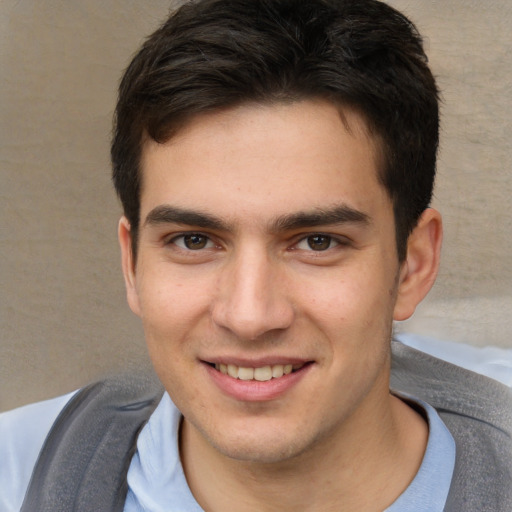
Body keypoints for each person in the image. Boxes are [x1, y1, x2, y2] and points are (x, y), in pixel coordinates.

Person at [1, 0, 511, 510]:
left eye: (317, 242)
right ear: (131, 263)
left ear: (413, 265)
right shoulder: (15, 473)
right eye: (194, 241)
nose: (249, 316)